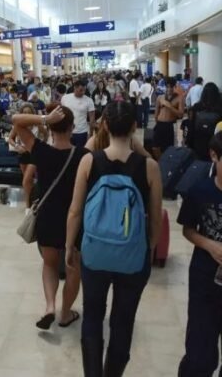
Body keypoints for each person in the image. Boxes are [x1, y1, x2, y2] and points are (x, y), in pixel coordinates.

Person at [66, 101, 162, 377]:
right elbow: (155, 219)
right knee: (124, 319)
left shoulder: (89, 161)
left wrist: (70, 246)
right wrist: (148, 248)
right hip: (133, 256)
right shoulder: (149, 167)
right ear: (135, 127)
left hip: (94, 253)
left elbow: (75, 211)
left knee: (93, 315)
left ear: (104, 124)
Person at [13, 104, 87, 330]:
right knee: (73, 268)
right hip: (74, 220)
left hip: (47, 217)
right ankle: (65, 313)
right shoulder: (84, 156)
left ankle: (49, 306)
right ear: (73, 127)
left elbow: (16, 120)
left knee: (49, 264)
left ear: (51, 128)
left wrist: (44, 118)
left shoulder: (40, 151)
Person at [177, 132, 222, 376]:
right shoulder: (199, 191)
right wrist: (209, 245)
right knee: (200, 352)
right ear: (214, 157)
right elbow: (188, 230)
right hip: (205, 277)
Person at [8, 103, 48, 208]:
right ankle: (29, 204)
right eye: (24, 113)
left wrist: (42, 145)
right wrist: (17, 146)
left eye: (29, 112)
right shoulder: (18, 125)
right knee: (27, 183)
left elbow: (46, 133)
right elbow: (10, 138)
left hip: (34, 155)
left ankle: (29, 206)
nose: (26, 114)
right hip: (22, 154)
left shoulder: (37, 124)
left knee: (26, 180)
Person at [188, 82, 222, 160]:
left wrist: (189, 143)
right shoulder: (219, 108)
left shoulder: (196, 107)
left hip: (198, 144)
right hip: (214, 146)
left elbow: (191, 127)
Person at [152, 77, 184, 159]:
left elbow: (180, 115)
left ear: (174, 87)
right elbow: (156, 113)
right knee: (155, 147)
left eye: (171, 87)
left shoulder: (179, 98)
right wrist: (157, 122)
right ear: (165, 87)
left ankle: (167, 163)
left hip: (170, 126)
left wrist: (169, 106)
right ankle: (160, 162)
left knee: (168, 147)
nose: (169, 89)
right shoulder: (160, 97)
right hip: (160, 124)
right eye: (167, 87)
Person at [86, 120, 151, 158]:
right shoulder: (132, 140)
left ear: (105, 125)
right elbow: (148, 157)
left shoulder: (95, 140)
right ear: (134, 126)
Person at [61, 81, 96, 147]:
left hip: (81, 132)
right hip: (67, 131)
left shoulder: (89, 100)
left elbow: (92, 119)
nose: (83, 92)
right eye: (81, 90)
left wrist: (90, 135)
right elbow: (62, 114)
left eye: (84, 90)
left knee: (80, 153)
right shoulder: (65, 98)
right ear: (75, 88)